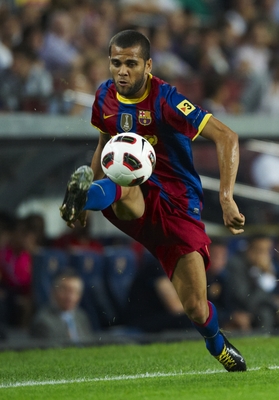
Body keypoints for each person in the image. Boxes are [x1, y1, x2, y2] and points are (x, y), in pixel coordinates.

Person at [59, 30, 246, 372]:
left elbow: (227, 136)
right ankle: (87, 196)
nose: (122, 71)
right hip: (129, 196)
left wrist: (227, 197)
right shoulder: (104, 96)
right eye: (116, 63)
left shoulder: (166, 99)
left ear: (148, 65)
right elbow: (105, 146)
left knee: (196, 308)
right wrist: (88, 185)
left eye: (131, 63)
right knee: (126, 177)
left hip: (177, 205)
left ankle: (218, 345)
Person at [226, 234, 279, 333]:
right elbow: (245, 299)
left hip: (260, 307)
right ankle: (262, 344)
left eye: (268, 251)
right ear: (250, 250)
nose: (265, 255)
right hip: (237, 310)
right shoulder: (236, 265)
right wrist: (266, 275)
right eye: (261, 250)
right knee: (264, 314)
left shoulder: (269, 265)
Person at [30, 269, 94, 343]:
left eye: (75, 291)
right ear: (53, 291)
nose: (70, 297)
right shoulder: (43, 322)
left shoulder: (81, 317)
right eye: (65, 290)